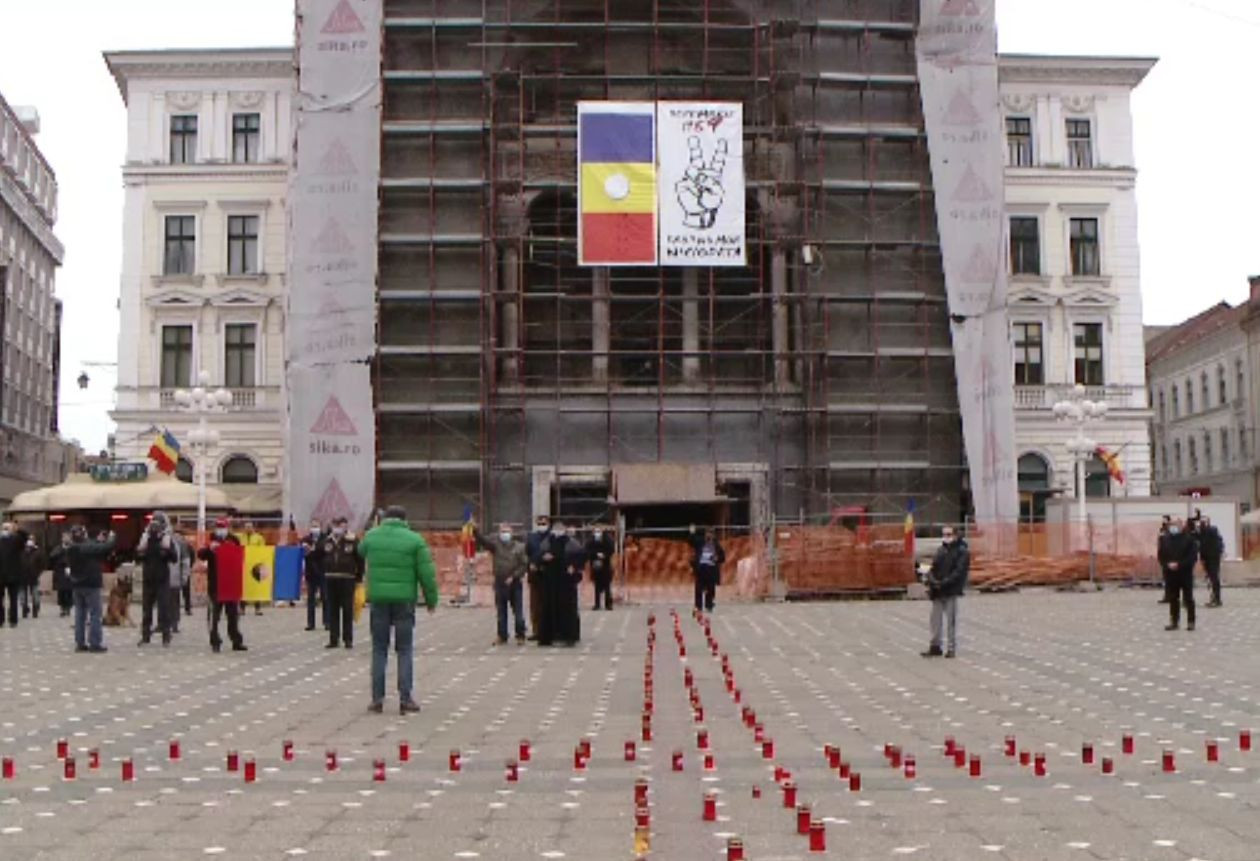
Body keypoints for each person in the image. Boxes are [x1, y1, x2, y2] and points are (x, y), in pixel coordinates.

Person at [358, 506, 438, 714]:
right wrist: (431, 600)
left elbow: (360, 551)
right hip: (404, 601)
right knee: (404, 649)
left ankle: (377, 699)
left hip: (378, 600)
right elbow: (426, 574)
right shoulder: (415, 540)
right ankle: (405, 698)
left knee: (379, 649)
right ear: (405, 519)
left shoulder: (372, 537)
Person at [474, 523, 529, 645]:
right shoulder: (496, 546)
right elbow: (484, 542)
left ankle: (520, 635)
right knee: (501, 611)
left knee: (518, 611)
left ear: (512, 532)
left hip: (514, 583)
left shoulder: (519, 547)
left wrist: (514, 576)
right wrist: (475, 531)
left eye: (507, 531)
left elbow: (524, 565)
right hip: (500, 582)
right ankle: (502, 635)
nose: (505, 534)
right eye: (503, 531)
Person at [921, 526, 970, 658]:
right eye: (943, 534)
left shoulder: (962, 551)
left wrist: (944, 583)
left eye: (948, 534)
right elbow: (933, 567)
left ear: (955, 535)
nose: (946, 537)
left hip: (951, 590)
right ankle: (935, 646)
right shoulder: (941, 550)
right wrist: (932, 580)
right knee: (935, 620)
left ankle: (951, 648)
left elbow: (959, 572)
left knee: (951, 620)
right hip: (937, 590)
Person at [199, 519, 246, 653]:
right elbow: (201, 555)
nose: (220, 529)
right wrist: (209, 549)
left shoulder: (234, 539)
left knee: (233, 615)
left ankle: (236, 641)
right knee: (214, 615)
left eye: (223, 527)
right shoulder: (211, 540)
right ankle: (215, 641)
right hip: (215, 584)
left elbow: (240, 556)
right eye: (218, 527)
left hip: (231, 583)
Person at [67, 525, 115, 653]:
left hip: (77, 584)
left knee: (79, 614)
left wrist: (98, 540)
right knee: (95, 614)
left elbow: (91, 546)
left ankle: (80, 643)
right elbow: (104, 548)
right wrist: (111, 539)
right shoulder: (85, 547)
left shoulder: (71, 548)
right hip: (91, 584)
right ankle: (95, 643)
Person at [319, 516, 362, 649]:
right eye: (336, 524)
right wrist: (323, 571)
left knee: (347, 609)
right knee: (333, 609)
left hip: (347, 578)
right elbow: (318, 556)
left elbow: (360, 559)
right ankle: (333, 639)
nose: (338, 527)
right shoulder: (327, 540)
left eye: (341, 525)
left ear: (346, 525)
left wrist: (358, 577)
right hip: (330, 578)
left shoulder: (353, 540)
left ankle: (348, 639)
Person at [536, 521, 580, 647]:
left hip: (566, 581)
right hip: (550, 580)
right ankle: (547, 636)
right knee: (548, 607)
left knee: (567, 608)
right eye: (556, 529)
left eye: (560, 529)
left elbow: (580, 556)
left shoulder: (571, 542)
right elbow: (538, 556)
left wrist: (574, 566)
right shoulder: (547, 541)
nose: (558, 532)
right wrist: (544, 558)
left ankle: (569, 636)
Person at [136, 512, 177, 646]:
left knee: (164, 609)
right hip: (148, 578)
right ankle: (145, 636)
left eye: (157, 524)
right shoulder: (145, 538)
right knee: (146, 610)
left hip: (162, 578)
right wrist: (140, 552)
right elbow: (138, 556)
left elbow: (174, 558)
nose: (154, 527)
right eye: (153, 524)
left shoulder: (166, 538)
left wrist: (166, 552)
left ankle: (166, 636)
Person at [1160, 517, 1198, 631]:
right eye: (1172, 525)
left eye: (1176, 525)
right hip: (1171, 574)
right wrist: (1167, 565)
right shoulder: (1165, 539)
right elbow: (1161, 555)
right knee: (1173, 598)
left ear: (1182, 526)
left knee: (1188, 598)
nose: (1174, 528)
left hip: (1185, 574)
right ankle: (1174, 621)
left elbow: (1192, 557)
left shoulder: (1189, 540)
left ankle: (1191, 621)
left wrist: (1179, 565)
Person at [524, 515, 551, 640]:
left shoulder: (552, 537)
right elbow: (526, 554)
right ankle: (536, 631)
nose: (542, 526)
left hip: (549, 575)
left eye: (544, 523)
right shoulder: (531, 537)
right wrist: (530, 564)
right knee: (535, 605)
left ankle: (548, 630)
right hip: (534, 575)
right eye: (539, 523)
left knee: (548, 604)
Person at [0, 522, 31, 627]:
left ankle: (12, 620)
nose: (5, 530)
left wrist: (17, 529)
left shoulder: (16, 540)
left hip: (13, 575)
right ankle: (3, 620)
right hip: (4, 575)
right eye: (4, 528)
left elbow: (26, 536)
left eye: (7, 528)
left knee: (13, 599)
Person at [689, 526, 725, 613]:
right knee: (698, 588)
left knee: (710, 588)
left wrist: (717, 558)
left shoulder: (716, 544)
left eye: (711, 533)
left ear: (714, 535)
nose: (709, 535)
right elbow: (691, 541)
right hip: (701, 568)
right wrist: (692, 532)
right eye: (708, 533)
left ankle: (709, 605)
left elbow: (723, 557)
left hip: (711, 568)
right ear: (705, 534)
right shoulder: (700, 542)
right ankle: (698, 606)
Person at [301, 520, 329, 632]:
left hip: (323, 571)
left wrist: (313, 550)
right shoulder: (306, 539)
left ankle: (327, 621)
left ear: (320, 527)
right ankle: (310, 623)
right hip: (311, 572)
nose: (314, 528)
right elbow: (304, 551)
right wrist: (311, 550)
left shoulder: (325, 538)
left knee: (325, 598)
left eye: (316, 526)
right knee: (311, 599)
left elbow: (323, 550)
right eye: (313, 526)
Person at [236, 521, 267, 615]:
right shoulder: (239, 537)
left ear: (253, 527)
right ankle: (242, 608)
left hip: (255, 566)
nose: (248, 528)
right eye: (246, 527)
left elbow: (262, 550)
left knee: (256, 587)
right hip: (243, 565)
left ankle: (257, 608)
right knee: (243, 587)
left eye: (250, 526)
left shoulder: (259, 538)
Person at [585, 525, 615, 611]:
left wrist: (604, 555)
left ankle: (608, 604)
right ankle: (597, 604)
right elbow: (587, 550)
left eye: (599, 531)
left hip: (605, 564)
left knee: (607, 585)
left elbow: (611, 549)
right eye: (596, 531)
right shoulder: (591, 540)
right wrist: (595, 555)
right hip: (595, 565)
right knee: (597, 585)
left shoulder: (607, 539)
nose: (597, 533)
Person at [168, 529, 192, 634]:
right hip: (170, 578)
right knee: (171, 602)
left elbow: (186, 561)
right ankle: (171, 624)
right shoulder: (165, 542)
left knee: (172, 602)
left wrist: (184, 576)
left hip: (173, 578)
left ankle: (173, 624)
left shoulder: (181, 545)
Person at [1198, 515, 1224, 607]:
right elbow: (1201, 546)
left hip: (1213, 557)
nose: (1201, 524)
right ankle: (1213, 597)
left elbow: (1217, 543)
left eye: (1203, 522)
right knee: (1210, 578)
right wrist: (1202, 558)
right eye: (1201, 522)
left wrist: (1219, 553)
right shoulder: (1201, 532)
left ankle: (1217, 599)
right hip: (1206, 558)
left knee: (1214, 577)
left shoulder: (1212, 530)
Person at [49, 532, 73, 617]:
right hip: (60, 571)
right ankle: (62, 608)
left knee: (69, 591)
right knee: (61, 591)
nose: (66, 539)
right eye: (65, 537)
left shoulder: (73, 548)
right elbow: (52, 556)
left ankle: (68, 607)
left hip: (71, 571)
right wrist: (62, 550)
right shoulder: (58, 548)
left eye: (68, 537)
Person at [20, 537, 42, 619]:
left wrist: (38, 573)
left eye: (31, 540)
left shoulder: (37, 552)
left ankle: (35, 609)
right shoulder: (21, 552)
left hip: (34, 576)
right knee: (22, 595)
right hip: (22, 577)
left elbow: (42, 564)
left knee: (35, 594)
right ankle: (24, 609)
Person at [1157, 516, 1172, 604]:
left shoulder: (1170, 530)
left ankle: (1171, 596)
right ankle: (1167, 596)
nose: (1164, 521)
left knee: (1170, 578)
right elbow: (1160, 544)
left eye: (1165, 519)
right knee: (1166, 578)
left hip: (1170, 557)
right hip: (1163, 557)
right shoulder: (1162, 530)